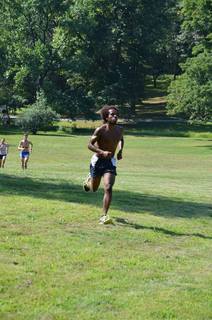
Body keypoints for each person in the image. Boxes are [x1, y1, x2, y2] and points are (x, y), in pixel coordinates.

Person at [83, 105, 124, 224]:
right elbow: (89, 145)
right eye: (112, 114)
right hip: (98, 161)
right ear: (106, 117)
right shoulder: (100, 130)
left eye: (116, 115)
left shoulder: (120, 129)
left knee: (108, 187)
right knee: (94, 189)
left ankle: (104, 216)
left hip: (110, 162)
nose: (115, 116)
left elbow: (121, 139)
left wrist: (120, 151)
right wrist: (102, 152)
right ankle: (89, 179)